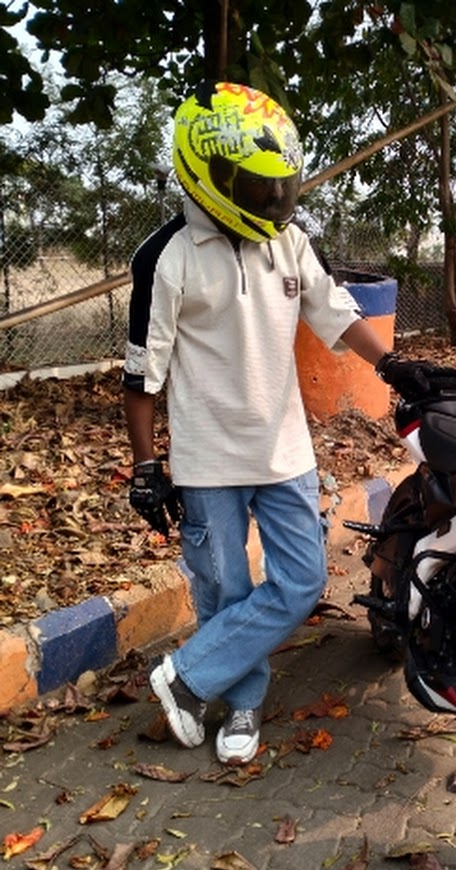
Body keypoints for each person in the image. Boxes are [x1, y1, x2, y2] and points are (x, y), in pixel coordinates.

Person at [124, 81, 431, 765]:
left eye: (278, 187)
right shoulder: (166, 257)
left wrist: (393, 366)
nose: (272, 201)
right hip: (208, 460)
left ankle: (186, 676)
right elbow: (142, 376)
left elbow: (336, 314)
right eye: (256, 187)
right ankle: (242, 704)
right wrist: (146, 468)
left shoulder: (290, 243)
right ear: (208, 175)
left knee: (302, 581)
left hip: (286, 450)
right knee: (225, 591)